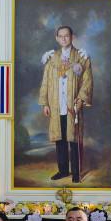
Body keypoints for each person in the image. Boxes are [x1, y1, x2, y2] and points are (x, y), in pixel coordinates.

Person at [38, 25, 93, 184]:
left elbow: (87, 80)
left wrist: (81, 99)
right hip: (56, 105)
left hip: (72, 105)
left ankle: (76, 173)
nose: (63, 38)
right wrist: (45, 103)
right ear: (57, 38)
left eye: (66, 35)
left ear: (72, 37)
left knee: (74, 139)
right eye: (60, 36)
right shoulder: (52, 58)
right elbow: (46, 82)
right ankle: (63, 171)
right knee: (60, 139)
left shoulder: (81, 57)